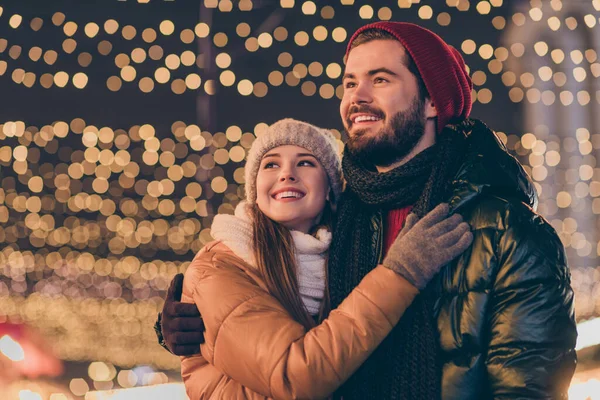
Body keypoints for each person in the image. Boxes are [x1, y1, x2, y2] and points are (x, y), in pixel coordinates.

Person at [157, 22, 578, 399]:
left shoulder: (506, 229)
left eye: (380, 79)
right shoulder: (337, 220)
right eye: (349, 82)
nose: (357, 96)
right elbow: (275, 302)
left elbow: (526, 387)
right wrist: (187, 325)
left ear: (433, 101)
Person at [179, 118, 472, 399]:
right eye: (271, 164)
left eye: (305, 162)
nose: (287, 174)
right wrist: (402, 273)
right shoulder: (222, 265)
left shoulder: (344, 260)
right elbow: (296, 373)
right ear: (254, 192)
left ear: (331, 192)